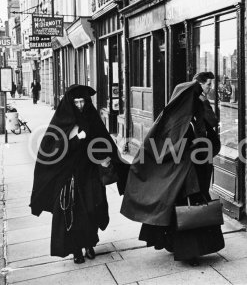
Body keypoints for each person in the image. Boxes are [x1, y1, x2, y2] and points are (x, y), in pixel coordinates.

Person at [121, 71, 223, 266]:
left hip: (196, 167)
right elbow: (171, 143)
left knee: (192, 206)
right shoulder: (178, 118)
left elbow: (211, 125)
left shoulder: (197, 111)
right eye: (208, 85)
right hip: (183, 171)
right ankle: (189, 251)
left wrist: (203, 104)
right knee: (186, 207)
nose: (210, 89)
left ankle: (188, 247)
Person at [30, 84, 128, 264]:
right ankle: (76, 249)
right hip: (69, 176)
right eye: (76, 102)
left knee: (92, 209)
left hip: (89, 173)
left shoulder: (91, 117)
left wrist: (107, 157)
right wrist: (76, 139)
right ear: (70, 102)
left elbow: (103, 140)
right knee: (72, 213)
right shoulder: (61, 121)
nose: (80, 105)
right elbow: (51, 149)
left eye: (83, 101)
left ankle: (89, 244)